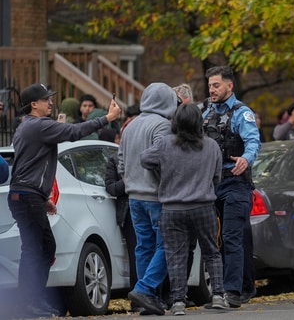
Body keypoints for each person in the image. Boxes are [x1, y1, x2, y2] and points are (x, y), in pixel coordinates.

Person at [8, 83, 120, 318]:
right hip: (27, 196)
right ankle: (29, 302)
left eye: (50, 98)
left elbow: (31, 164)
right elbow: (73, 132)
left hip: (28, 195)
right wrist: (107, 118)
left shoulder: (27, 127)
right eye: (45, 99)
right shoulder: (38, 125)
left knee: (42, 248)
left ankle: (31, 301)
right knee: (37, 249)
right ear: (33, 105)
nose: (50, 102)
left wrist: (43, 196)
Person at [140, 103, 230, 315]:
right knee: (212, 252)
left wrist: (162, 173)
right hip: (203, 206)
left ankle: (178, 301)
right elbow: (217, 177)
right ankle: (218, 295)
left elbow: (145, 159)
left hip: (172, 208)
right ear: (199, 122)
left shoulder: (165, 144)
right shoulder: (211, 146)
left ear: (176, 122)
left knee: (175, 255)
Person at [202, 65, 261, 308]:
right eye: (209, 85)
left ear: (230, 86)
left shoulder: (241, 113)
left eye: (216, 85)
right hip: (211, 183)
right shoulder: (205, 111)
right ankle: (246, 286)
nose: (212, 89)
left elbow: (253, 140)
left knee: (232, 237)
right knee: (236, 237)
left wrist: (246, 158)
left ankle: (232, 292)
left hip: (236, 181)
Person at [118, 82, 179, 315]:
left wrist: (133, 182)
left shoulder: (130, 126)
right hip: (156, 196)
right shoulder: (162, 125)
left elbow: (120, 162)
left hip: (134, 196)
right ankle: (145, 289)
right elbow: (162, 160)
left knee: (143, 247)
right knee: (168, 245)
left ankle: (147, 298)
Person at [102, 128, 137, 311]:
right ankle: (137, 293)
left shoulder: (145, 156)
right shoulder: (114, 160)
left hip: (150, 207)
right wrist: (128, 182)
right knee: (136, 252)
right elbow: (110, 188)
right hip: (129, 211)